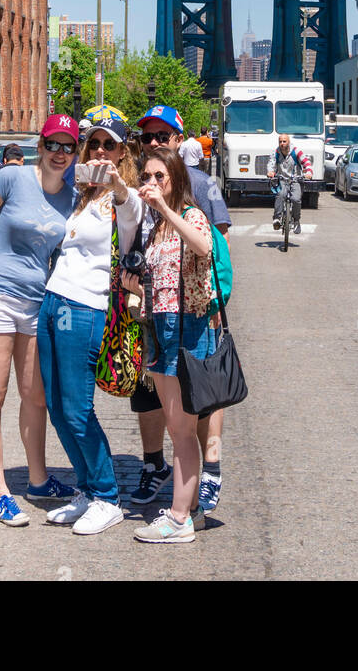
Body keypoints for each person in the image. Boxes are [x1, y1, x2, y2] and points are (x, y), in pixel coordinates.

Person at [0, 116, 82, 527]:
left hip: (36, 304)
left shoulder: (73, 197)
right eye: (53, 144)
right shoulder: (11, 177)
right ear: (39, 146)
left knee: (35, 395)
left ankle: (38, 480)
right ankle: (0, 492)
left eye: (68, 147)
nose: (59, 153)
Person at [37, 113, 144, 535]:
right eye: (94, 144)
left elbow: (130, 207)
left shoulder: (124, 198)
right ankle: (85, 489)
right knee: (57, 407)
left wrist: (116, 183)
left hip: (85, 308)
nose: (100, 151)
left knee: (79, 409)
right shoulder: (81, 195)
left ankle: (107, 495)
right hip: (53, 300)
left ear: (123, 152)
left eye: (109, 145)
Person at [127, 105, 232, 519]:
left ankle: (209, 470)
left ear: (177, 138)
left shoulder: (200, 190)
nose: (153, 142)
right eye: (146, 136)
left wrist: (219, 300)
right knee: (161, 403)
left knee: (200, 399)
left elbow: (213, 247)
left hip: (195, 316)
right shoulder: (143, 200)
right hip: (157, 321)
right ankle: (157, 466)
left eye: (161, 135)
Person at [122, 147, 213, 543]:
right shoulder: (155, 226)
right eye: (146, 177)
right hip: (160, 329)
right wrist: (135, 288)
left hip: (187, 329)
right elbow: (158, 281)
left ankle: (178, 520)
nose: (151, 183)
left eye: (160, 176)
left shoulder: (189, 215)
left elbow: (203, 247)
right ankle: (190, 509)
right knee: (179, 428)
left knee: (181, 430)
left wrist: (167, 209)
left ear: (176, 178)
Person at [267, 133, 312, 235]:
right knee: (280, 195)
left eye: (284, 141)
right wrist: (270, 172)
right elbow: (271, 163)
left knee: (296, 199)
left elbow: (306, 162)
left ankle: (296, 221)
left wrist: (308, 172)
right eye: (280, 141)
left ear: (288, 142)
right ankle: (277, 219)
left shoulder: (296, 151)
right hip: (282, 180)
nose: (282, 143)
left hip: (295, 180)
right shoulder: (276, 152)